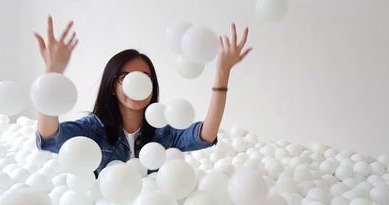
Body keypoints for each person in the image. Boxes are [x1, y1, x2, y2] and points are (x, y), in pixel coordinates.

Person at [33, 16, 252, 175]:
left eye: (144, 78)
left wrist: (222, 73)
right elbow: (50, 137)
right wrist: (52, 73)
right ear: (112, 85)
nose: (136, 85)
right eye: (126, 77)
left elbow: (205, 134)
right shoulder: (93, 128)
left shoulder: (163, 131)